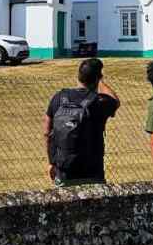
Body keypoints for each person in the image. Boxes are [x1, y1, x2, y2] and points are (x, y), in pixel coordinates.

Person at [44, 57, 120, 187]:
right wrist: (100, 81)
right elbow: (115, 101)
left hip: (64, 171)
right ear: (97, 78)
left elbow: (47, 132)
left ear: (78, 76)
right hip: (92, 171)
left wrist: (52, 162)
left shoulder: (59, 98)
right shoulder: (99, 102)